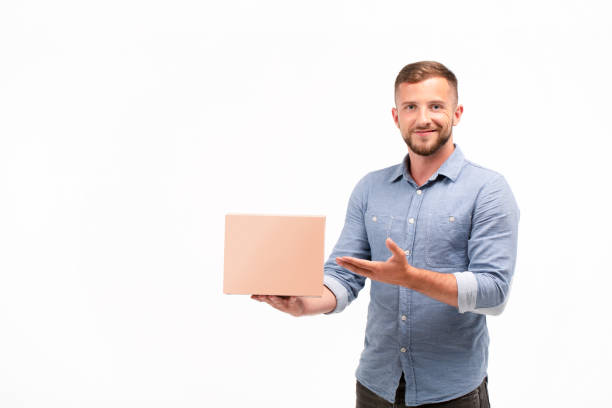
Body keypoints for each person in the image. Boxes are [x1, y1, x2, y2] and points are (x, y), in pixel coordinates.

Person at [252, 61, 519, 407]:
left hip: (453, 393)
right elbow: (343, 274)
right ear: (396, 117)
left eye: (436, 106)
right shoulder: (370, 189)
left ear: (457, 113)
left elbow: (493, 293)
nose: (423, 118)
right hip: (376, 386)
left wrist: (411, 278)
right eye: (411, 107)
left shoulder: (488, 190)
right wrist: (304, 304)